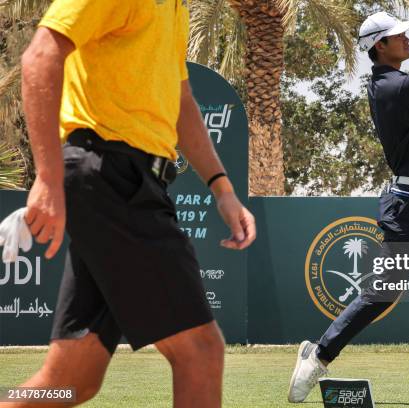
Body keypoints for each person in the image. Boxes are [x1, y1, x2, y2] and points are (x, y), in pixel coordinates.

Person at [12, 1, 255, 407]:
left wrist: (222, 187)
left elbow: (180, 101)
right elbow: (40, 55)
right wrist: (48, 177)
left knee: (72, 379)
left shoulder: (174, 8)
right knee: (200, 350)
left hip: (130, 181)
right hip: (110, 175)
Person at [288, 11, 409, 405]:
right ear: (380, 45)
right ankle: (320, 353)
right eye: (399, 36)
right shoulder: (400, 84)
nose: (408, 39)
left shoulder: (387, 86)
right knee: (386, 288)